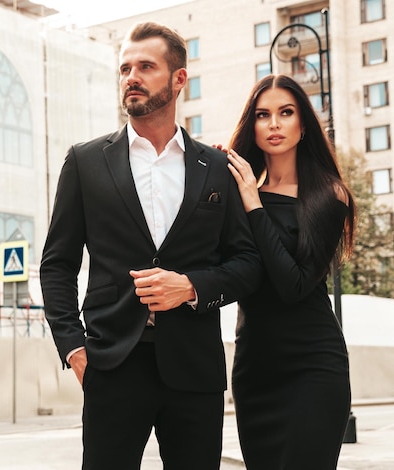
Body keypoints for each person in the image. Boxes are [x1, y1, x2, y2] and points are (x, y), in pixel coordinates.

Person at [40, 21, 262, 470]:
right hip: (112, 363)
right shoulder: (85, 162)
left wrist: (192, 287)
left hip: (194, 368)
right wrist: (73, 348)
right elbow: (57, 265)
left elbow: (248, 263)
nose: (131, 78)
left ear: (179, 79)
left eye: (145, 66)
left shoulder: (215, 167)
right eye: (124, 68)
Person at [222, 74, 356, 469]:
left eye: (286, 112)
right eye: (263, 115)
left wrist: (253, 205)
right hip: (255, 369)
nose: (275, 124)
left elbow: (293, 284)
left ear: (303, 124)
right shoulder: (238, 193)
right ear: (253, 125)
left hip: (312, 366)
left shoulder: (328, 195)